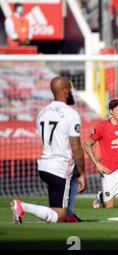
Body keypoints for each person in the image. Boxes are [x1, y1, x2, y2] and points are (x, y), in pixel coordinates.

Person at [11, 76, 86, 224]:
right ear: (65, 91)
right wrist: (83, 173)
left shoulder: (42, 113)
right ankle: (22, 206)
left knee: (58, 210)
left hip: (44, 165)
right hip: (60, 167)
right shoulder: (71, 114)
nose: (71, 93)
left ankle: (69, 214)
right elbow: (76, 148)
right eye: (70, 90)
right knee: (59, 216)